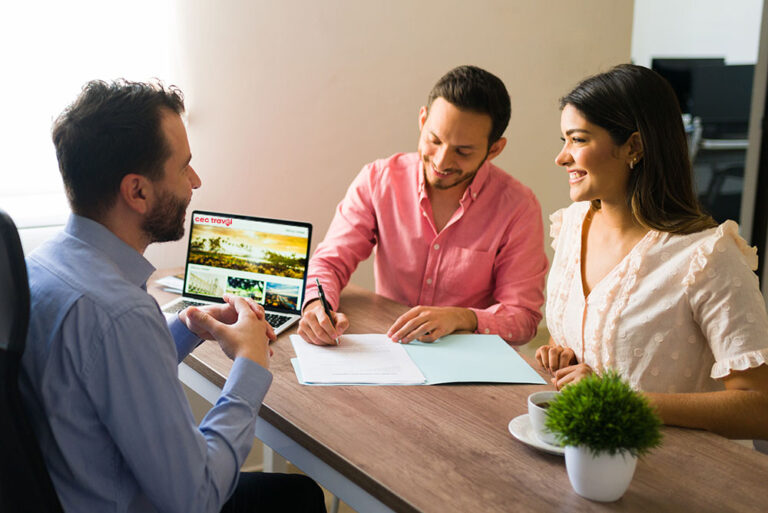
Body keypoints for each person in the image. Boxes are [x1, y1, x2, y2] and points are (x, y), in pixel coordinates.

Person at [19, 80, 326, 512]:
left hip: (72, 488)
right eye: (184, 167)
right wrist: (250, 365)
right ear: (137, 191)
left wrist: (187, 328)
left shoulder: (41, 266)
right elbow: (196, 497)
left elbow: (98, 366)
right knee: (298, 498)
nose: (195, 182)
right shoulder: (121, 315)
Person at [536, 64, 768, 439]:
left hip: (674, 479)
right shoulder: (571, 226)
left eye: (578, 140)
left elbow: (760, 407)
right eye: (564, 140)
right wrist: (559, 352)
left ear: (634, 146)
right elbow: (592, 337)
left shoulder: (707, 257)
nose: (562, 157)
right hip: (578, 454)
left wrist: (623, 400)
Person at [298, 65, 548, 346]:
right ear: (422, 119)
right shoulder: (379, 180)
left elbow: (523, 319)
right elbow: (329, 263)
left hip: (465, 361)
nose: (442, 162)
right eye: (434, 140)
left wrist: (462, 317)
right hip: (390, 348)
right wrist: (315, 307)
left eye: (463, 151)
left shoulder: (518, 207)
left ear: (494, 149)